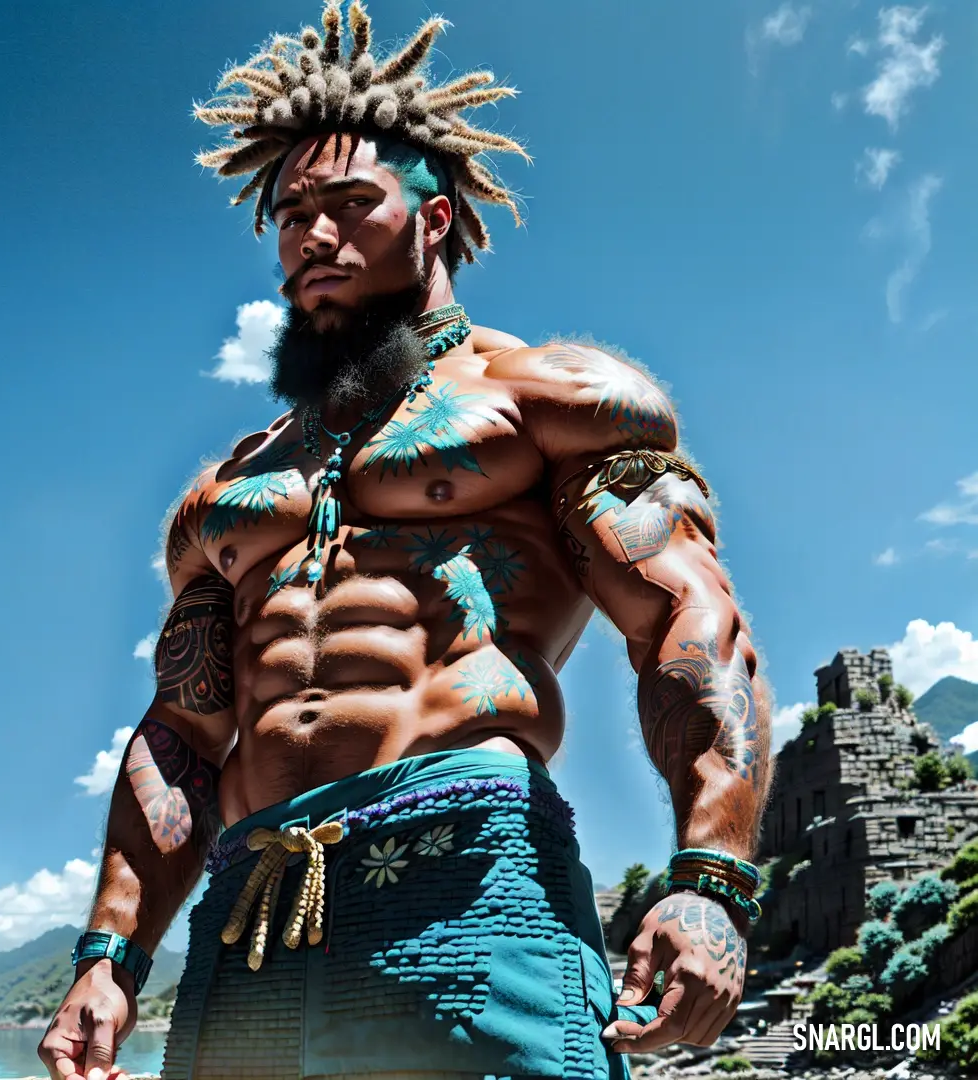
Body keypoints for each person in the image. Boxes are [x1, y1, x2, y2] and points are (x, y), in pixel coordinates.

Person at [39, 4, 773, 1079]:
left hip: (463, 870)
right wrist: (111, 958)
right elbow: (183, 738)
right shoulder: (225, 497)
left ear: (433, 220)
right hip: (248, 912)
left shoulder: (546, 403)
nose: (312, 237)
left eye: (348, 204)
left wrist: (710, 878)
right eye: (291, 214)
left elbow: (684, 620)